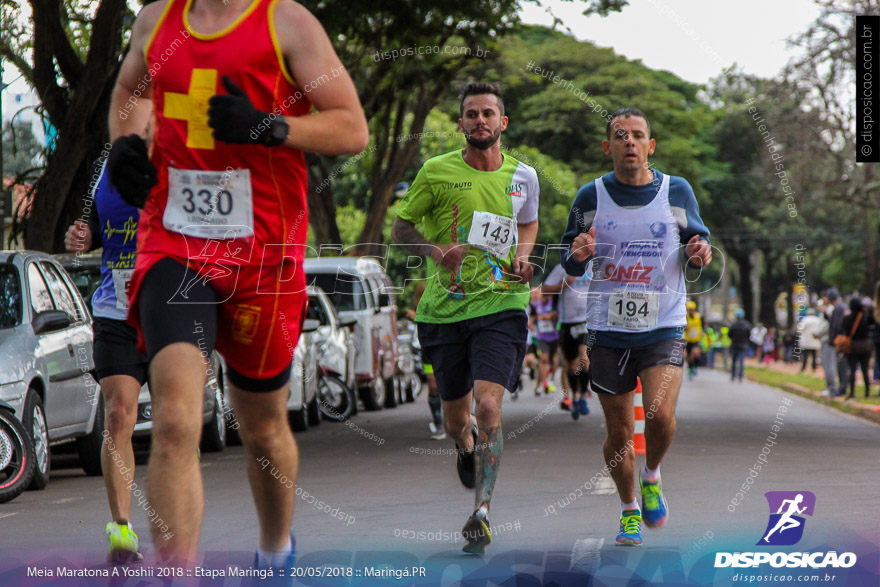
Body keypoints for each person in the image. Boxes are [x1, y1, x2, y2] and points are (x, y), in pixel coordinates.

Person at [107, 0, 368, 567]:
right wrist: (125, 142)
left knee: (264, 428)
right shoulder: (155, 20)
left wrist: (271, 126)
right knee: (176, 421)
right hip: (174, 240)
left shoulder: (287, 23)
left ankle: (275, 553)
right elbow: (133, 90)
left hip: (263, 254)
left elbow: (352, 128)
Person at [391, 82, 539, 554]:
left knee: (489, 407)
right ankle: (463, 444)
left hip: (501, 304)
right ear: (461, 124)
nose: (480, 121)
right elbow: (399, 229)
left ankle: (482, 510)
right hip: (444, 310)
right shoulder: (436, 171)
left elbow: (529, 222)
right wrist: (438, 252)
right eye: (471, 114)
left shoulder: (525, 177)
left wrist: (522, 254)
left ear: (503, 123)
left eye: (488, 113)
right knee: (458, 419)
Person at [560, 107, 712, 546]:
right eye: (620, 136)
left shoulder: (676, 191)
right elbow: (567, 259)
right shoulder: (590, 197)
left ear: (650, 145)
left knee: (660, 415)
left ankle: (652, 475)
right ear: (608, 147)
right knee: (619, 433)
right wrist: (579, 254)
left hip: (663, 324)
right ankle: (629, 509)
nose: (630, 142)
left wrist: (699, 253)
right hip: (608, 329)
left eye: (637, 135)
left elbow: (696, 244)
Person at [64, 159, 148, 564]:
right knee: (117, 416)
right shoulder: (106, 165)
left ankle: (177, 521)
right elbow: (96, 227)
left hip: (174, 311)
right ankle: (122, 529)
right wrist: (84, 235)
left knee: (178, 423)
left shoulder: (185, 148)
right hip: (117, 313)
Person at [542, 264, 593, 419]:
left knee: (584, 356)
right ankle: (575, 396)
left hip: (586, 320)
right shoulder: (562, 268)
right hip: (567, 321)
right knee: (571, 365)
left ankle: (583, 395)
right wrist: (565, 284)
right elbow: (545, 289)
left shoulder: (594, 265)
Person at [407, 281, 445, 440]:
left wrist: (416, 318)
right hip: (428, 350)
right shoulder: (418, 309)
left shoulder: (444, 305)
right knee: (433, 385)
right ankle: (438, 424)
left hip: (446, 349)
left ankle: (463, 420)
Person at [841, 296, 875, 400]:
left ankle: (852, 392)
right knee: (865, 370)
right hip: (865, 345)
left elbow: (843, 328)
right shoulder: (864, 316)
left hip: (853, 346)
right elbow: (872, 323)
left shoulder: (848, 316)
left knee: (852, 370)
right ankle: (867, 392)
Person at [531, 290, 559, 395]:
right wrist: (530, 323)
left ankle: (550, 380)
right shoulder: (536, 305)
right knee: (543, 359)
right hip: (542, 337)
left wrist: (546, 317)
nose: (547, 297)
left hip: (554, 337)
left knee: (554, 361)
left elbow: (556, 315)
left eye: (549, 295)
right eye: (545, 294)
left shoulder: (554, 303)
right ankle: (544, 383)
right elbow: (533, 317)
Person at [825, 288, 850, 396]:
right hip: (838, 340)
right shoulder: (839, 308)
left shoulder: (839, 308)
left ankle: (842, 388)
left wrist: (835, 338)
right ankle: (841, 387)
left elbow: (838, 325)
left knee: (842, 366)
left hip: (840, 341)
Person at [728, 310, 751, 382]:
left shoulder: (733, 325)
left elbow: (729, 334)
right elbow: (749, 335)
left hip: (735, 345)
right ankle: (740, 376)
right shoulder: (746, 325)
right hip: (743, 345)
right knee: (741, 361)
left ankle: (733, 376)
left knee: (734, 361)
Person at [684, 301, 703, 379]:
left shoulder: (698, 316)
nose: (691, 311)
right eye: (689, 309)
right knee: (689, 355)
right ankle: (691, 368)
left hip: (696, 339)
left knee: (696, 353)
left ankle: (695, 366)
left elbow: (703, 325)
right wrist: (686, 328)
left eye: (692, 309)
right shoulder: (686, 317)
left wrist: (702, 332)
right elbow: (683, 327)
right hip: (688, 339)